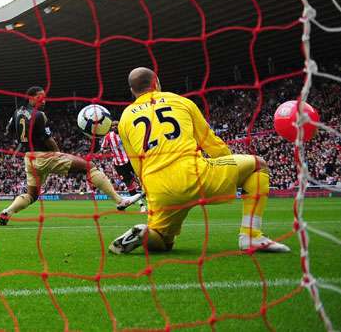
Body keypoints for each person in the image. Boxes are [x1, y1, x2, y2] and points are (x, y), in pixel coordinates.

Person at [109, 67, 290, 254]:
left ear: (132, 91)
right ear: (156, 82)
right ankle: (251, 235)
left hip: (159, 187)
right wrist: (230, 168)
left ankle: (145, 234)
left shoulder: (125, 118)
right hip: (195, 174)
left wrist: (150, 191)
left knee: (163, 241)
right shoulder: (181, 102)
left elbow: (137, 164)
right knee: (258, 165)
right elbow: (211, 144)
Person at [0, 86, 143, 226]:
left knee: (32, 195)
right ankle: (120, 201)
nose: (43, 101)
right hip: (45, 156)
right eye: (39, 98)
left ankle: (7, 211)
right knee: (90, 167)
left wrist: (23, 140)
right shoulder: (39, 115)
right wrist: (58, 153)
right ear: (31, 98)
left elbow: (8, 129)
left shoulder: (17, 112)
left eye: (45, 98)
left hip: (29, 158)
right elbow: (47, 138)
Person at [101, 121, 147, 212]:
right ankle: (141, 205)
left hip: (131, 160)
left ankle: (150, 199)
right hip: (119, 164)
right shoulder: (108, 137)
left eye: (116, 125)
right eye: (112, 126)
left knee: (142, 179)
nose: (114, 127)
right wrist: (106, 151)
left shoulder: (125, 133)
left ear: (120, 125)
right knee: (129, 185)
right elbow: (103, 148)